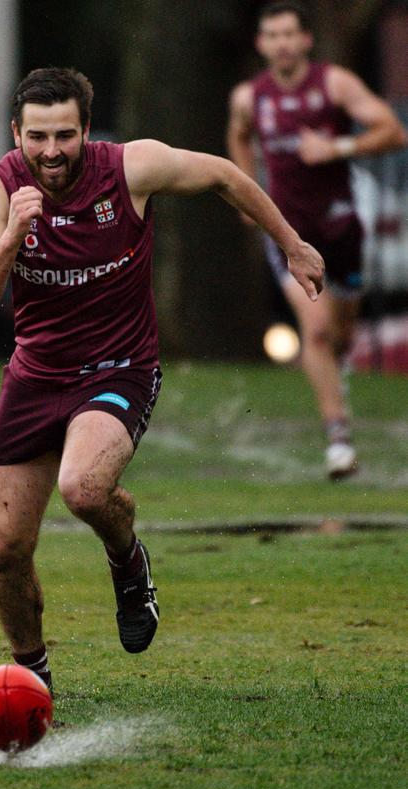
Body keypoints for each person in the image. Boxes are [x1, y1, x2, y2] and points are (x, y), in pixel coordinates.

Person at [0, 67, 324, 692]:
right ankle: (32, 681)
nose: (51, 151)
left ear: (87, 130)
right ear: (16, 132)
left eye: (65, 135)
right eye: (38, 136)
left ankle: (128, 564)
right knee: (5, 548)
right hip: (35, 377)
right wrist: (15, 235)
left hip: (118, 370)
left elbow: (224, 175)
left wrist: (290, 244)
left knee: (83, 488)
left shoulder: (129, 170)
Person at [227, 1, 408, 480]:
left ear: (305, 40)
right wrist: (250, 191)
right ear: (261, 44)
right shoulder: (250, 97)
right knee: (319, 330)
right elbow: (239, 137)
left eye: (290, 34)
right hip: (288, 230)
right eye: (273, 35)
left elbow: (393, 131)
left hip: (342, 224)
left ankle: (337, 368)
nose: (282, 43)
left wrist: (337, 147)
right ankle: (339, 439)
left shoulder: (335, 84)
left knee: (342, 330)